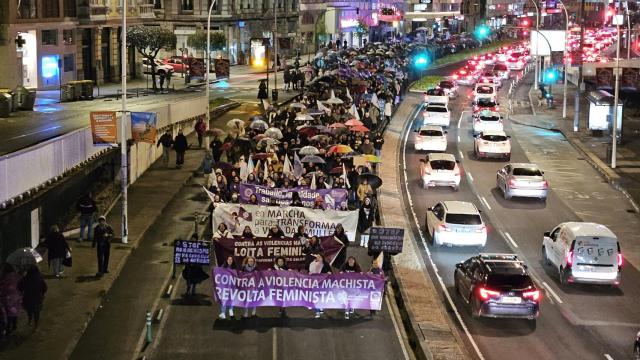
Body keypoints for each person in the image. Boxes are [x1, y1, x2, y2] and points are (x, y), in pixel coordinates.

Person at [0, 264, 22, 334]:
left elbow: (3, 288)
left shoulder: (4, 278)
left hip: (7, 298)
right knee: (15, 311)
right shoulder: (17, 276)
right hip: (16, 297)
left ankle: (8, 328)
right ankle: (14, 325)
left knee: (7, 313)